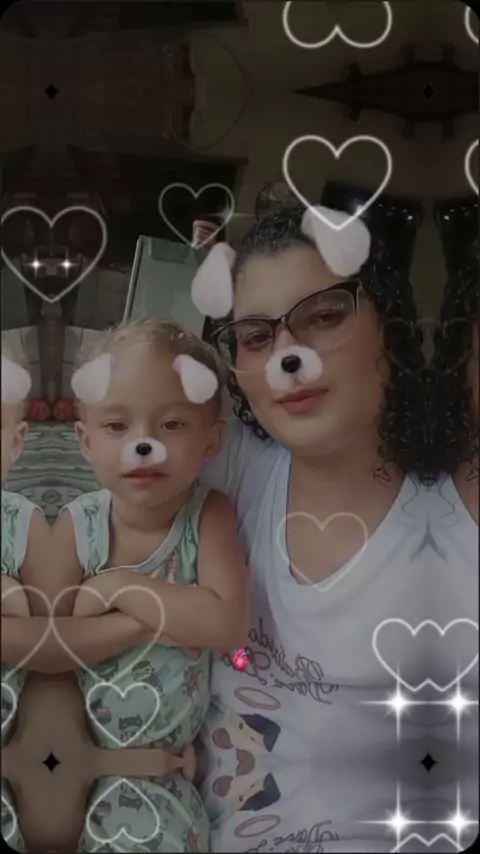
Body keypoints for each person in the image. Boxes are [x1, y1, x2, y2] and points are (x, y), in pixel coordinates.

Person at [190, 204, 433, 850]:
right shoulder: (232, 472)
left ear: (392, 326)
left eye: (324, 316)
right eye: (255, 336)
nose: (287, 356)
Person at [49, 318, 249, 852]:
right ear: (86, 441)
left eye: (172, 424)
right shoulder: (77, 526)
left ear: (212, 439)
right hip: (69, 773)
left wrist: (120, 588)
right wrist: (162, 621)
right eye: (117, 426)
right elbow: (53, 648)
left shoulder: (208, 516)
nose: (144, 444)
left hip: (167, 781)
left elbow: (226, 625)